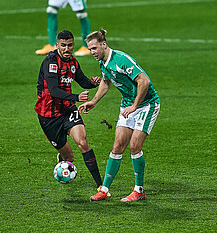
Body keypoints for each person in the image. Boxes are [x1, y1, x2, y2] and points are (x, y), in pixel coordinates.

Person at [79, 29, 160, 202]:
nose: (92, 52)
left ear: (104, 44)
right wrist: (93, 101)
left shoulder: (121, 60)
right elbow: (106, 82)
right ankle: (105, 190)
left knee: (134, 146)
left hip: (147, 104)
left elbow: (144, 81)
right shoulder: (103, 62)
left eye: (94, 48)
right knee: (117, 146)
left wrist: (135, 105)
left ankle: (139, 190)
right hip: (128, 106)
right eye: (90, 49)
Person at [35, 30, 104, 189]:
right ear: (57, 45)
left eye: (70, 45)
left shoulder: (73, 62)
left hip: (67, 109)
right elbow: (53, 90)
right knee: (69, 157)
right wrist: (76, 97)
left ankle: (101, 186)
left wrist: (93, 83)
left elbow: (82, 80)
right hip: (49, 115)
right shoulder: (50, 62)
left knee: (83, 142)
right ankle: (62, 160)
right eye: (63, 45)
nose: (67, 49)